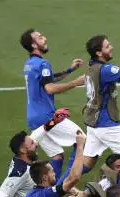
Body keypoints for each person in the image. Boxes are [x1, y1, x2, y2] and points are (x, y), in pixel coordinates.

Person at [22, 28, 86, 177]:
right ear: (33, 45)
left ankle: (50, 189)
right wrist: (75, 83)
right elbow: (50, 88)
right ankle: (65, 182)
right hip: (48, 118)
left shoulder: (29, 64)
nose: (44, 38)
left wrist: (70, 70)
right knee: (81, 138)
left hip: (34, 119)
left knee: (57, 155)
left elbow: (47, 79)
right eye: (40, 37)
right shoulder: (43, 63)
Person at [80, 35, 120, 173]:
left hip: (93, 122)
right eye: (107, 46)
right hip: (107, 124)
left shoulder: (91, 65)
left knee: (85, 165)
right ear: (98, 53)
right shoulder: (105, 70)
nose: (112, 48)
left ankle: (60, 186)